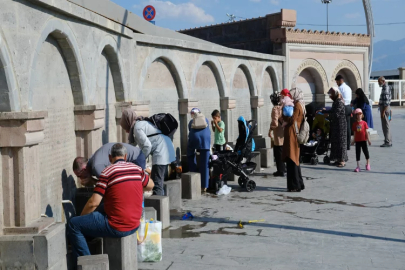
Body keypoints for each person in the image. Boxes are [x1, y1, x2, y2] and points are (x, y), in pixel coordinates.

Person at [68, 143, 154, 266]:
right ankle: (89, 238)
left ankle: (88, 264)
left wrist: (81, 218)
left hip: (117, 226)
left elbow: (93, 203)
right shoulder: (137, 169)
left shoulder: (107, 172)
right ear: (125, 157)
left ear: (110, 158)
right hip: (135, 224)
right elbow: (151, 185)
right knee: (102, 209)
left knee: (74, 225)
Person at [120, 109, 175, 196]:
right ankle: (162, 206)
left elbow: (147, 146)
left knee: (157, 184)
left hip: (161, 152)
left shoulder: (137, 128)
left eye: (125, 128)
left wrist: (140, 160)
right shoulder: (140, 123)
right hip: (165, 148)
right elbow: (132, 145)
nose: (126, 131)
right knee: (157, 181)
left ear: (128, 122)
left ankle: (159, 208)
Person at [73, 143, 147, 187]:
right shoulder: (93, 160)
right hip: (136, 154)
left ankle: (141, 211)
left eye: (79, 176)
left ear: (84, 169)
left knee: (136, 187)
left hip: (136, 158)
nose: (80, 179)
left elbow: (112, 185)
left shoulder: (96, 166)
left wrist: (92, 181)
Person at [282, 88, 305, 192]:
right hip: (293, 135)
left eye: (291, 95)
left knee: (292, 159)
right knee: (294, 160)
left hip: (292, 136)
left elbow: (292, 120)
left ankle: (294, 185)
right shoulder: (299, 105)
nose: (290, 97)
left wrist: (283, 117)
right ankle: (299, 183)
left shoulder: (297, 106)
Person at [321, 87, 348, 167]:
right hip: (336, 125)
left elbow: (336, 114)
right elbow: (332, 110)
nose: (330, 96)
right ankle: (337, 159)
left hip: (341, 125)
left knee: (341, 142)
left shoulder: (339, 102)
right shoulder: (336, 101)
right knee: (335, 142)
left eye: (331, 94)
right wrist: (323, 111)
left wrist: (327, 116)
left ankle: (342, 160)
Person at [187, 108, 211, 192]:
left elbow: (190, 131)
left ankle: (193, 173)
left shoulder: (191, 122)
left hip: (195, 138)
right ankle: (204, 186)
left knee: (190, 153)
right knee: (205, 163)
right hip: (206, 141)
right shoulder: (206, 119)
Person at [269, 92, 285, 177]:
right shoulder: (282, 107)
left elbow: (275, 123)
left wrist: (270, 129)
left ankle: (280, 170)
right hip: (283, 132)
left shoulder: (275, 109)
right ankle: (283, 168)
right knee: (282, 151)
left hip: (278, 133)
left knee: (278, 153)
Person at [335, 75, 352, 150]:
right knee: (348, 127)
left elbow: (338, 99)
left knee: (342, 127)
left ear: (340, 80)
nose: (337, 83)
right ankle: (348, 145)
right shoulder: (348, 88)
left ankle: (342, 144)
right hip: (348, 107)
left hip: (343, 107)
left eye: (337, 82)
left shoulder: (340, 88)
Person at [378, 76, 392, 147]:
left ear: (383, 81)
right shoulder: (385, 87)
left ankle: (387, 141)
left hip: (385, 108)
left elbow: (386, 102)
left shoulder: (385, 88)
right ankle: (388, 140)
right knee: (387, 124)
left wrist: (383, 112)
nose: (378, 83)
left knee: (385, 125)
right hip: (385, 108)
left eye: (379, 82)